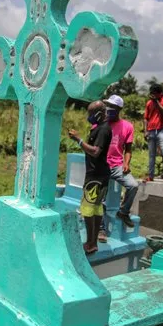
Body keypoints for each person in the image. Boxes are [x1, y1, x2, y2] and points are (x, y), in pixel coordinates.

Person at [68, 101, 112, 254]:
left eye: (91, 114)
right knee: (97, 207)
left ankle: (91, 243)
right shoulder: (102, 128)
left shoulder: (103, 130)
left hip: (95, 176)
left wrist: (79, 140)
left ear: (99, 114)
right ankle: (92, 242)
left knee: (87, 208)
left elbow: (95, 151)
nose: (89, 117)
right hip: (102, 174)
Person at [104, 95, 140, 229]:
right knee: (100, 197)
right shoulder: (101, 123)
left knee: (133, 185)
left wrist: (126, 163)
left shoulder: (127, 126)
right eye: (107, 105)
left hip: (117, 165)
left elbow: (128, 149)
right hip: (103, 165)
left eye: (112, 106)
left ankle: (123, 212)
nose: (108, 109)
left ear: (119, 109)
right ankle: (101, 227)